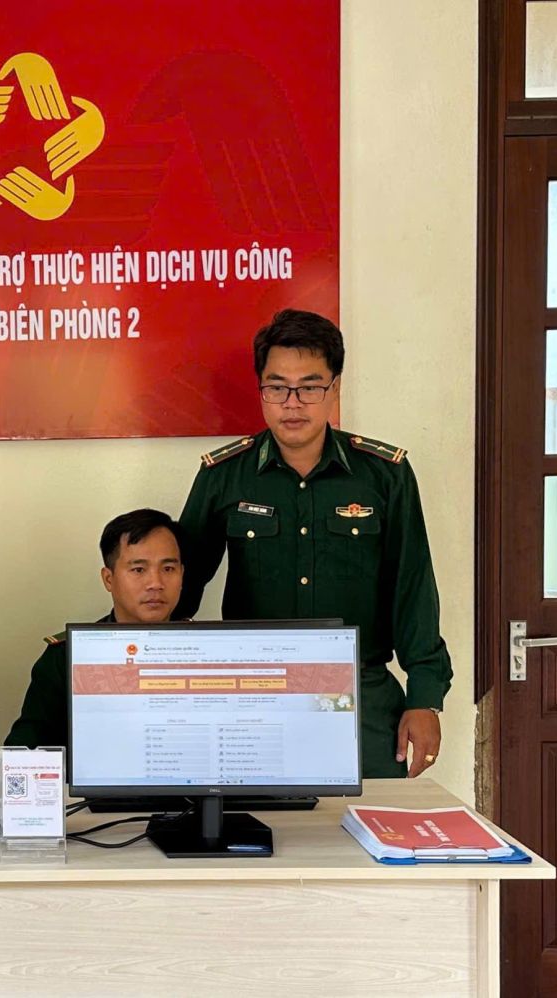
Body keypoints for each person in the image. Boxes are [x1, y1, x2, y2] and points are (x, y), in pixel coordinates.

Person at [174, 309, 450, 778]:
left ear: (335, 389)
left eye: (310, 387)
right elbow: (180, 588)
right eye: (277, 387)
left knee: (367, 819)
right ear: (261, 390)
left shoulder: (385, 476)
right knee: (256, 820)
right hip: (254, 696)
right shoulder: (224, 476)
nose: (293, 403)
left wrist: (425, 698)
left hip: (358, 691)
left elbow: (413, 587)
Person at [4, 508, 183, 748]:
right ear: (109, 579)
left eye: (168, 569)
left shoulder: (212, 650)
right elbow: (26, 751)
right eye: (139, 570)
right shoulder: (66, 656)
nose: (156, 583)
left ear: (182, 574)